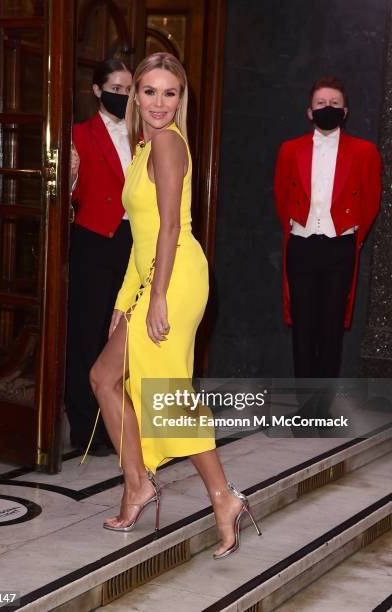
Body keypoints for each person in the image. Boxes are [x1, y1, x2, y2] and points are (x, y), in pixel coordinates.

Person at [88, 52, 262, 559]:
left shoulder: (166, 143)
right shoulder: (143, 147)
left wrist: (158, 294)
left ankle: (222, 497)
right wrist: (126, 301)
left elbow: (168, 227)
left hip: (176, 277)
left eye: (170, 93)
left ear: (180, 99)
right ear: (135, 96)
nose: (159, 103)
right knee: (104, 378)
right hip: (154, 277)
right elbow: (138, 237)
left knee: (167, 397)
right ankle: (139, 482)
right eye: (150, 92)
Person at [274, 76, 381, 380]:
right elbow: (282, 196)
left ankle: (324, 409)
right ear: (309, 111)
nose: (327, 108)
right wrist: (299, 228)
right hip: (302, 246)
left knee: (332, 330)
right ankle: (304, 409)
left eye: (334, 103)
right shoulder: (290, 150)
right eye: (321, 103)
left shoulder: (364, 152)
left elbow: (371, 201)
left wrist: (351, 238)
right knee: (303, 329)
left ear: (345, 112)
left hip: (340, 248)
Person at [65, 59, 133, 456]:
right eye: (115, 87)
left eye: (127, 89)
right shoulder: (77, 134)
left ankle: (121, 421)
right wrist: (70, 174)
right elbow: (66, 191)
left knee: (124, 335)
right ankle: (86, 426)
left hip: (134, 240)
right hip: (94, 240)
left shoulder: (144, 134)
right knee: (88, 333)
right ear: (96, 90)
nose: (121, 95)